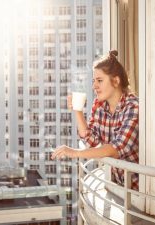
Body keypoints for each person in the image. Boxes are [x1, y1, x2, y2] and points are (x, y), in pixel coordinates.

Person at [51, 50, 139, 190]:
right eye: (93, 81)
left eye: (99, 81)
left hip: (138, 192)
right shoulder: (99, 105)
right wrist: (77, 110)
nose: (94, 86)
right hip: (115, 186)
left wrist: (75, 153)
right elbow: (91, 141)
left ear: (116, 81)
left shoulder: (133, 107)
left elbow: (115, 149)